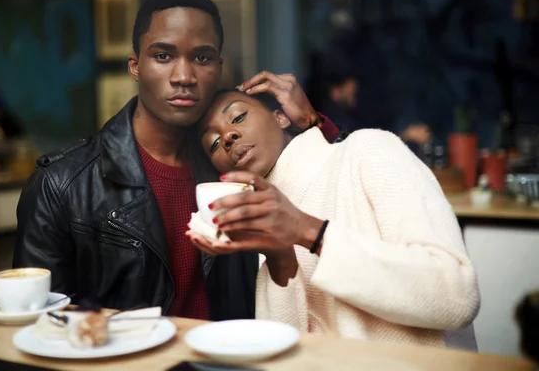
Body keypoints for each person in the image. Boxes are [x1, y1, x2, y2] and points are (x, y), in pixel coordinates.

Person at [13, 0, 341, 319]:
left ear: (218, 66)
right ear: (135, 66)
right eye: (163, 56)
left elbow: (330, 192)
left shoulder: (231, 163)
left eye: (201, 58)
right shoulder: (61, 185)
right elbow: (41, 323)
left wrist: (311, 122)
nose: (184, 77)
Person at [187, 88, 480, 347]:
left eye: (237, 118)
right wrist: (278, 258)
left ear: (280, 118)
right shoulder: (268, 225)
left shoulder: (368, 150)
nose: (227, 137)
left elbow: (456, 296)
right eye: (213, 143)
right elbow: (289, 352)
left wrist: (311, 232)